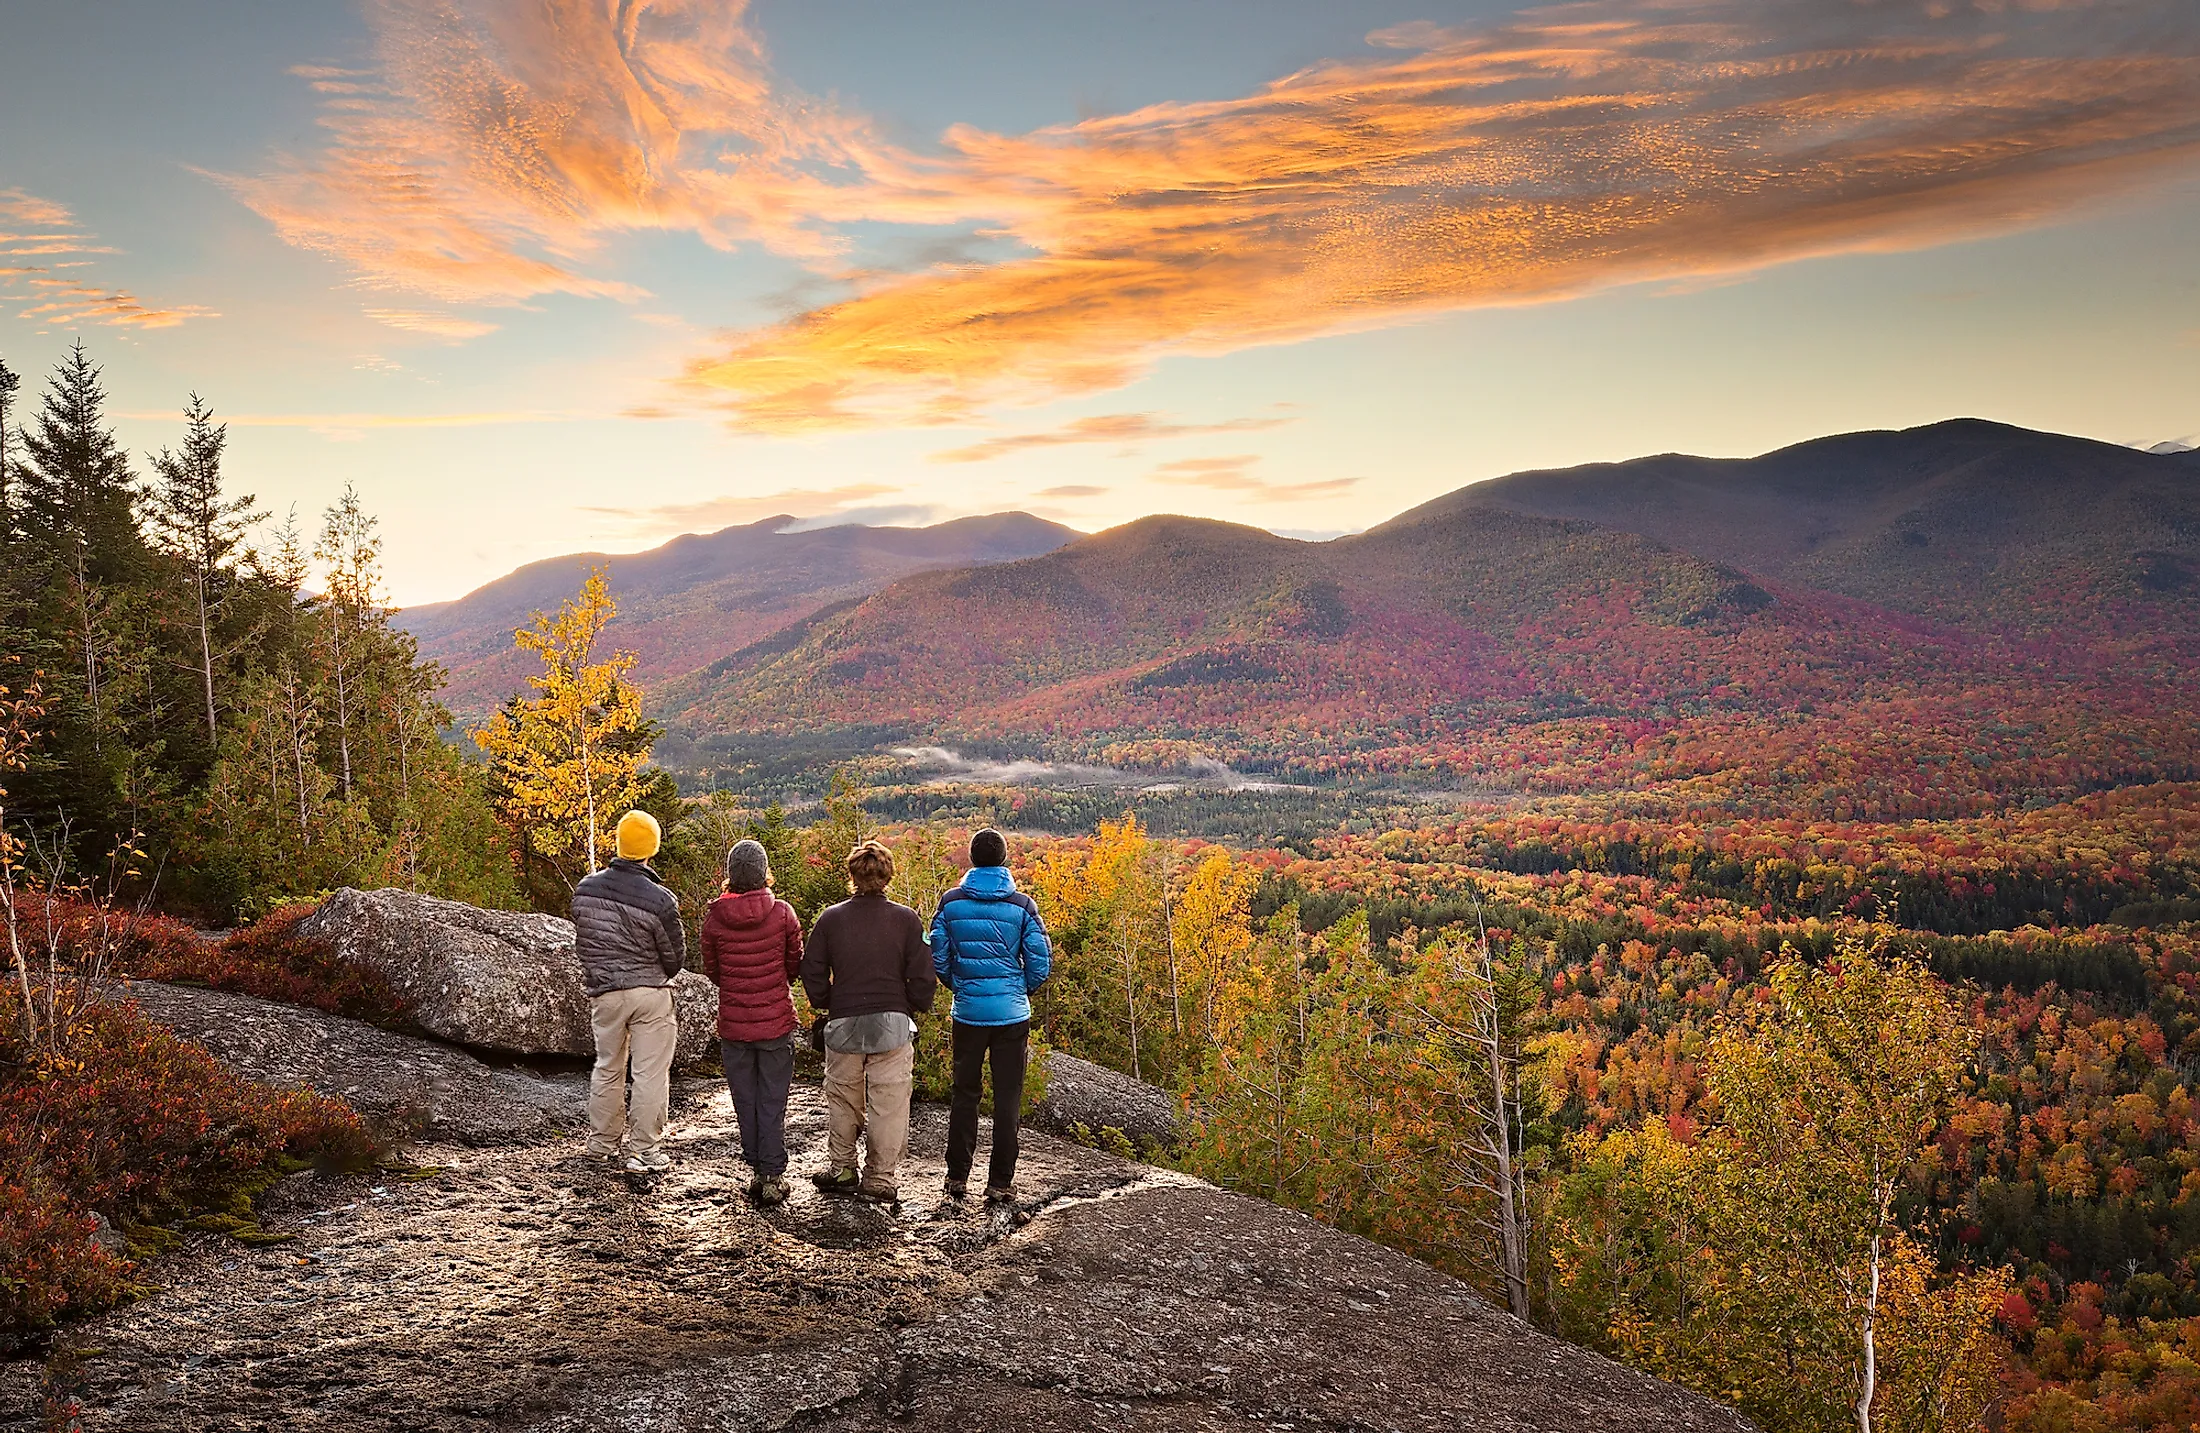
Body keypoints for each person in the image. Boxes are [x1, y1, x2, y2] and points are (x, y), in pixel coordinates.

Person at [800, 839, 934, 1204]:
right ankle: (880, 1176)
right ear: (888, 876)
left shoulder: (831, 918)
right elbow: (923, 975)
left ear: (853, 875)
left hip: (843, 1021)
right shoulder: (907, 919)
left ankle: (843, 1168)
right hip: (892, 1023)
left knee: (843, 1098)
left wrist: (827, 1001)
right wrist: (913, 1005)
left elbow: (811, 967)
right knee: (888, 1103)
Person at [931, 827, 1053, 1207]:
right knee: (1007, 1098)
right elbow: (1040, 961)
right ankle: (1000, 1183)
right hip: (1011, 1016)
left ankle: (956, 1177)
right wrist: (1021, 990)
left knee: (964, 1094)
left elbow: (938, 954)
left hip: (967, 1013)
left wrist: (960, 985)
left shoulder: (951, 903)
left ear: (972, 860)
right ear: (1002, 860)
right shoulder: (1022, 905)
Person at [572, 809, 686, 1174]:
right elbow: (674, 959)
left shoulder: (585, 890)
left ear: (619, 844)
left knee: (607, 1067)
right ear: (652, 847)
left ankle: (601, 1145)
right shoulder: (660, 899)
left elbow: (585, 943)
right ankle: (644, 1151)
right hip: (650, 993)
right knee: (650, 1074)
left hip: (604, 992)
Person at [700, 839, 804, 1207]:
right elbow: (795, 966)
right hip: (776, 1022)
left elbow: (714, 972)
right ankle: (773, 1174)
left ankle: (758, 1171)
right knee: (772, 1099)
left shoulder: (714, 918)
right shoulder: (783, 914)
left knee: (745, 1100)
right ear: (763, 874)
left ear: (731, 876)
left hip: (734, 1025)